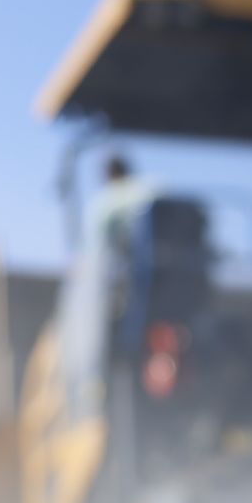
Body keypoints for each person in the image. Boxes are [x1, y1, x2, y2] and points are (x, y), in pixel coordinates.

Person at [59, 155, 159, 418]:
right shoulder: (155, 190)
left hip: (129, 295)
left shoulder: (107, 203)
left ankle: (90, 408)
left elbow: (95, 255)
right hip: (173, 287)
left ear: (109, 175)